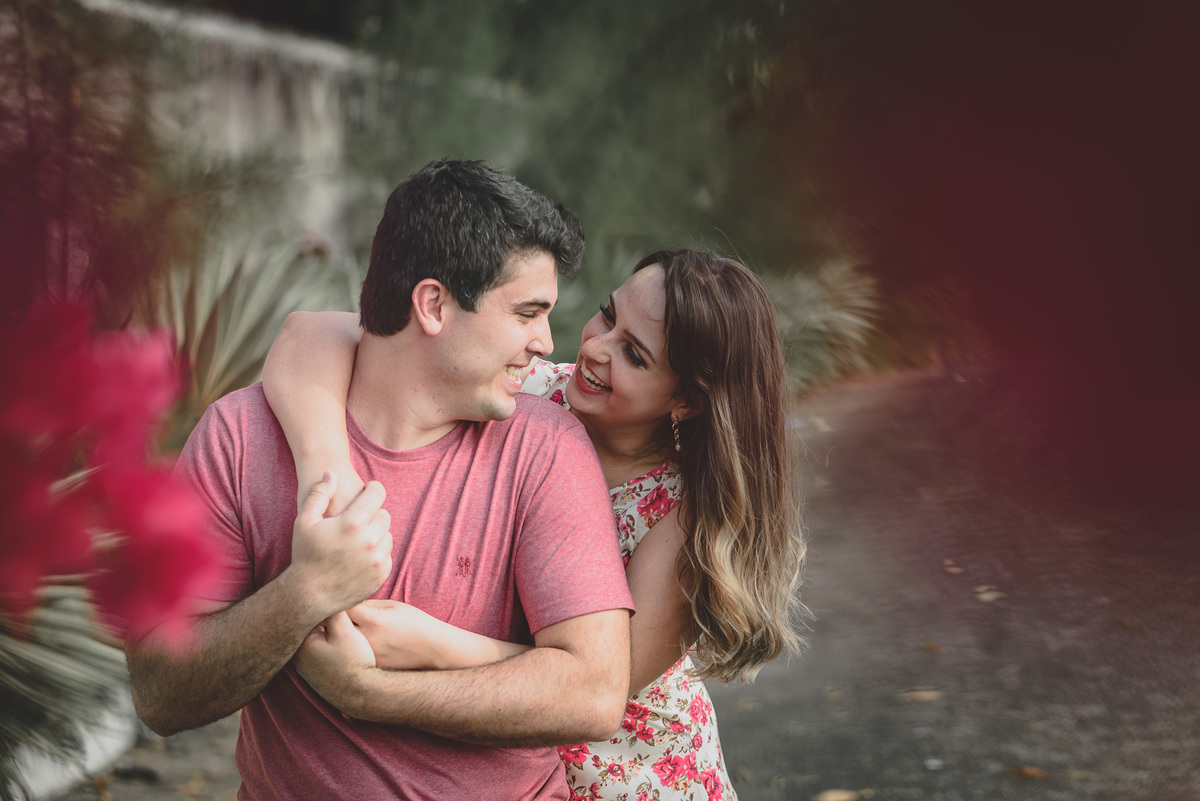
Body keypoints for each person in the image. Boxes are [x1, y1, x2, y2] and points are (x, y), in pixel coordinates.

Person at [124, 159, 637, 801]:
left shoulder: (546, 447)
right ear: (433, 304)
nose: (546, 341)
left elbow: (593, 695)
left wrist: (370, 695)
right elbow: (159, 694)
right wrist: (301, 594)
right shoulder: (241, 436)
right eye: (527, 313)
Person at [263, 248, 807, 800]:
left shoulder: (685, 516)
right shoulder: (528, 388)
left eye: (634, 355)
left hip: (627, 777)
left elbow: (599, 684)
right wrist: (327, 473)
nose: (594, 348)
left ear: (688, 399)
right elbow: (310, 332)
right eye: (606, 314)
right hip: (508, 765)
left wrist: (430, 645)